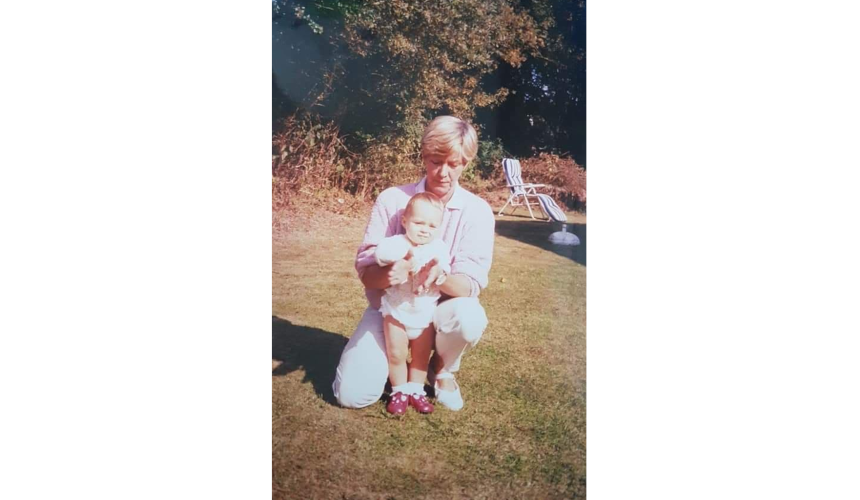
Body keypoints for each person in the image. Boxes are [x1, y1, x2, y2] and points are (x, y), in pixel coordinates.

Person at [332, 115, 495, 412]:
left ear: (467, 162)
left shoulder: (478, 211)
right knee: (352, 396)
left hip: (441, 309)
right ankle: (393, 371)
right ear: (423, 156)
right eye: (435, 161)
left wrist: (439, 276)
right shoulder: (392, 199)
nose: (443, 172)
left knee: (469, 317)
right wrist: (389, 274)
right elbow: (367, 274)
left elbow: (471, 284)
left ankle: (440, 368)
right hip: (391, 309)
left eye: (454, 163)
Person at [374, 192, 451, 415]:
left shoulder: (438, 248)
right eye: (418, 222)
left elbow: (445, 265)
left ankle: (416, 390)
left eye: (432, 225)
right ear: (404, 221)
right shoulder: (398, 243)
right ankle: (399, 390)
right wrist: (403, 257)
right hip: (397, 309)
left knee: (420, 355)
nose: (425, 229)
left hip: (425, 312)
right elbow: (381, 254)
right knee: (396, 353)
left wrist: (439, 270)